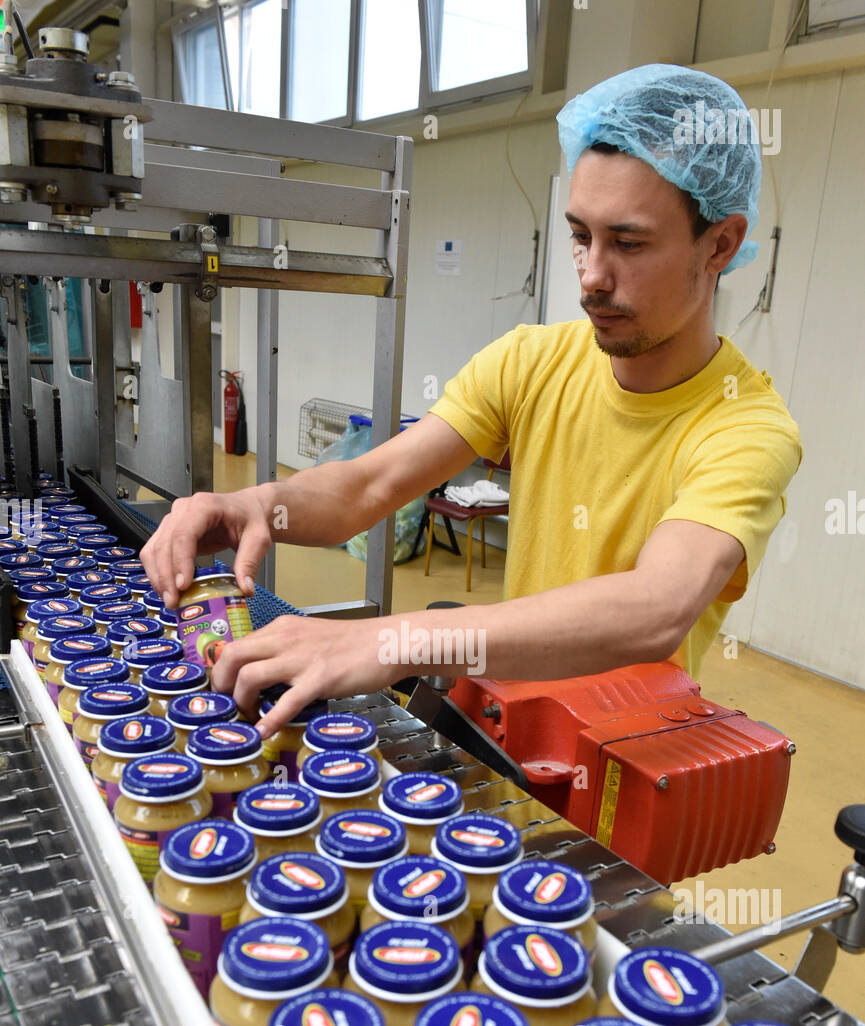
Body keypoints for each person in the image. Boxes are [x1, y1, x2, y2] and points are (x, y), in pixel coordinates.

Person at [141, 64, 801, 741]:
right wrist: (254, 507)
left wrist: (391, 642)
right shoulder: (532, 360)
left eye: (628, 244)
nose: (592, 278)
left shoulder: (744, 428)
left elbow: (653, 608)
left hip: (619, 766)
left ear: (718, 244)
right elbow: (372, 482)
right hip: (507, 726)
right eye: (580, 237)